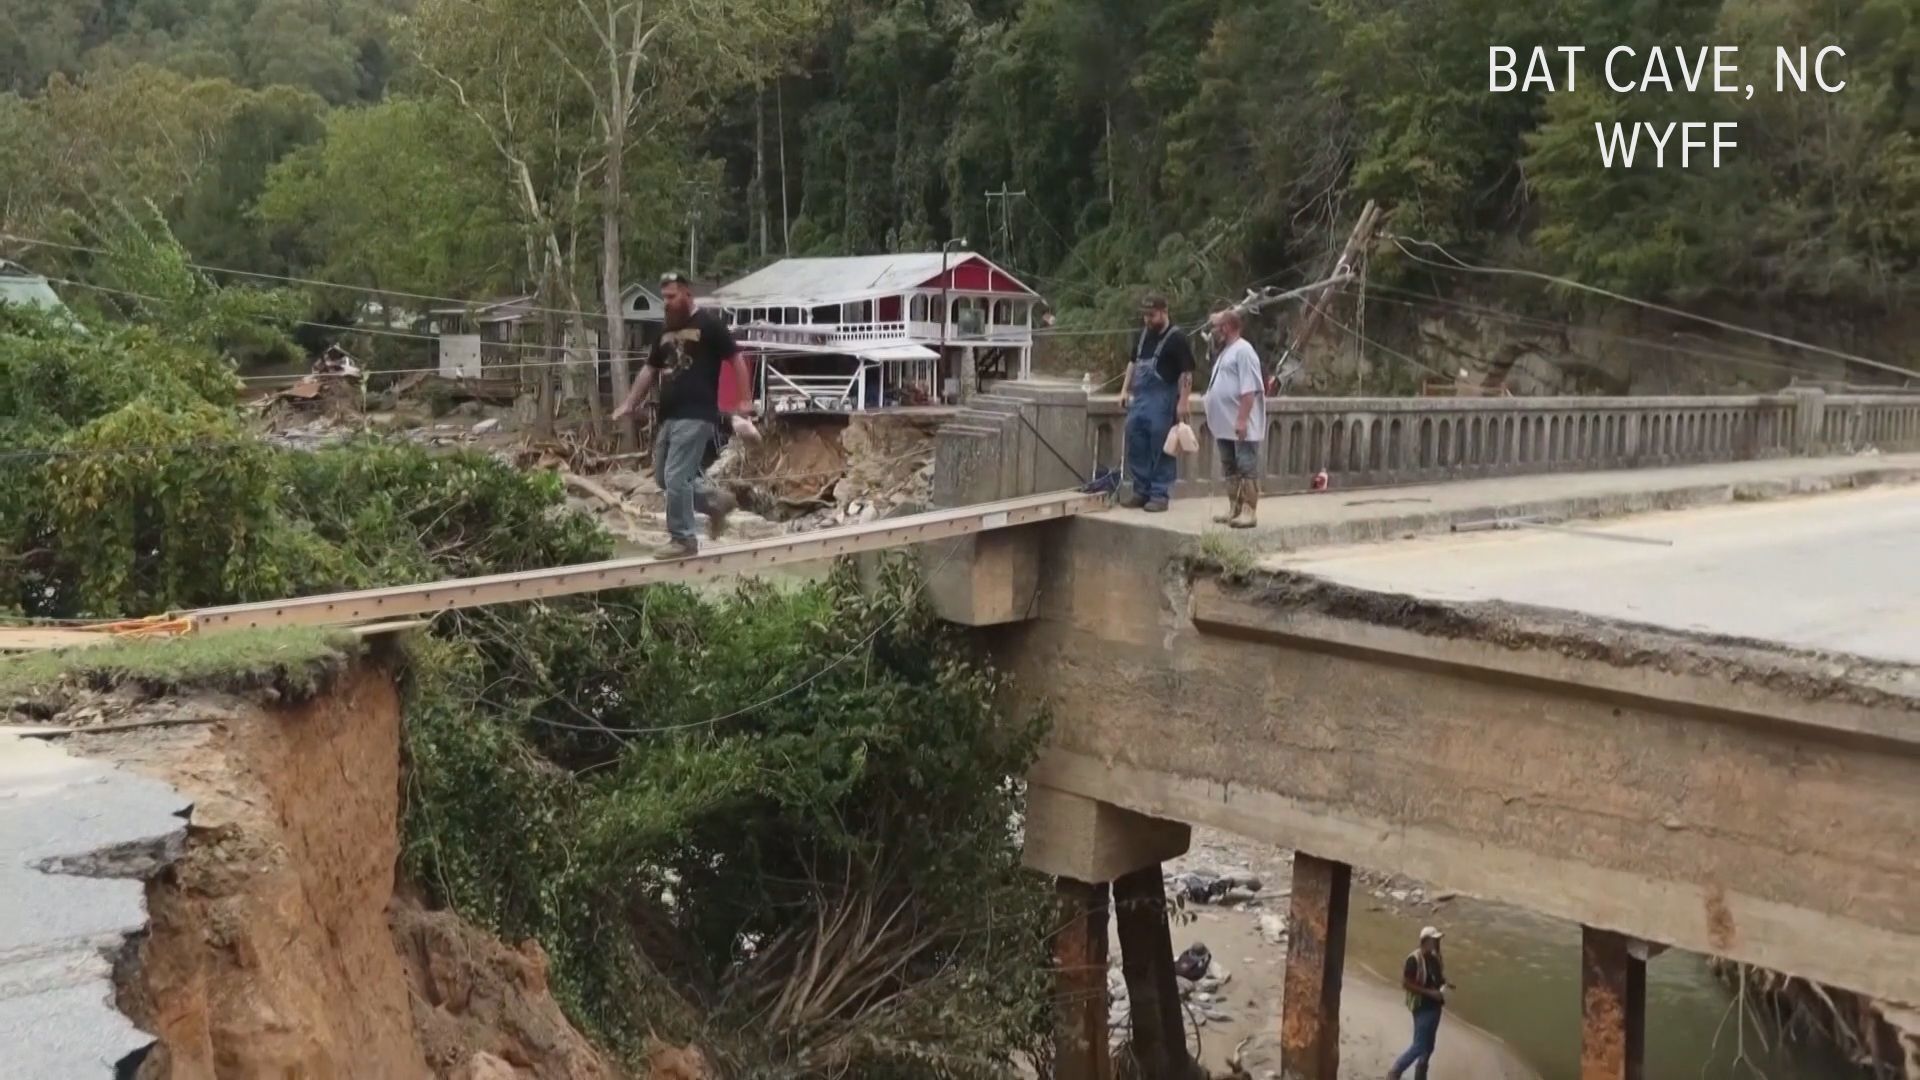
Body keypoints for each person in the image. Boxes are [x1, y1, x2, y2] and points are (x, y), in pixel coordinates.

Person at [611, 272, 753, 559]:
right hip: (669, 415)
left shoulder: (709, 324)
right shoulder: (665, 331)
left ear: (687, 294)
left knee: (676, 477)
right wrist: (629, 403)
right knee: (665, 478)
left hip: (697, 413)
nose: (667, 302)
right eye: (664, 297)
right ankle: (714, 501)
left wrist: (745, 399)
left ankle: (684, 539)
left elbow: (736, 358)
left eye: (672, 296)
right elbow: (649, 370)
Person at [1117, 293, 1193, 512]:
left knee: (1161, 446)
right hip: (1140, 399)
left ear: (1164, 312)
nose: (1147, 320)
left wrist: (1183, 402)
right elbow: (1133, 363)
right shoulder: (1143, 335)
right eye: (1145, 316)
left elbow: (1187, 371)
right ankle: (1141, 491)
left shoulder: (1177, 337)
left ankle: (1159, 494)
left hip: (1162, 400)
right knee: (1136, 441)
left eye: (1151, 315)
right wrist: (1124, 390)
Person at [1201, 309, 1264, 529]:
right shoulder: (1225, 352)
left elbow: (1249, 390)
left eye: (1215, 327)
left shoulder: (1244, 351)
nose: (1213, 332)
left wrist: (1242, 419)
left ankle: (1249, 511)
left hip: (1239, 422)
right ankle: (1234, 507)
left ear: (1226, 328)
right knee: (1229, 465)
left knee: (1246, 465)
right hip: (1223, 423)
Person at [1391, 926, 1452, 1080]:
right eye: (1435, 940)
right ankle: (1395, 1071)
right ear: (1426, 941)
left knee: (1429, 1046)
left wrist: (1445, 984)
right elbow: (1406, 983)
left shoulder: (1434, 958)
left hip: (1435, 1006)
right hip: (1422, 1006)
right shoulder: (1414, 959)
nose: (1437, 943)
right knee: (1419, 1044)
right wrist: (1430, 993)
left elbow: (1437, 978)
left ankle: (1420, 1075)